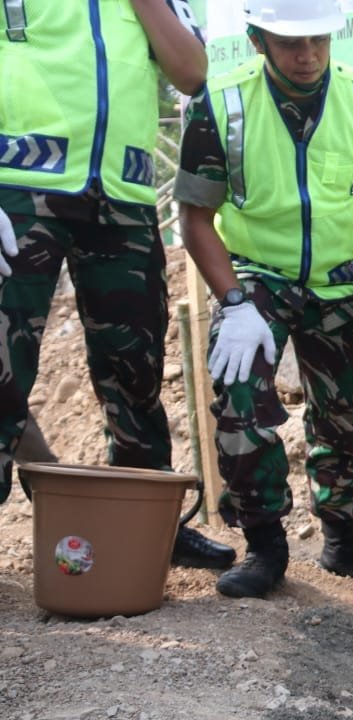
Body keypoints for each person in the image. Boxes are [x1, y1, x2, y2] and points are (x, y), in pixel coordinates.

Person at [176, 0, 353, 598]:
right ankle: (264, 545)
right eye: (288, 43)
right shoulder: (221, 103)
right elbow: (196, 217)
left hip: (337, 279)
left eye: (317, 40)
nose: (306, 56)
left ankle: (345, 542)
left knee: (343, 409)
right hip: (255, 277)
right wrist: (232, 301)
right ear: (257, 40)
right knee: (240, 400)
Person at [0, 0, 235, 570]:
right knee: (4, 366)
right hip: (19, 189)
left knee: (136, 368)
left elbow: (192, 71)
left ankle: (150, 530)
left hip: (122, 198)